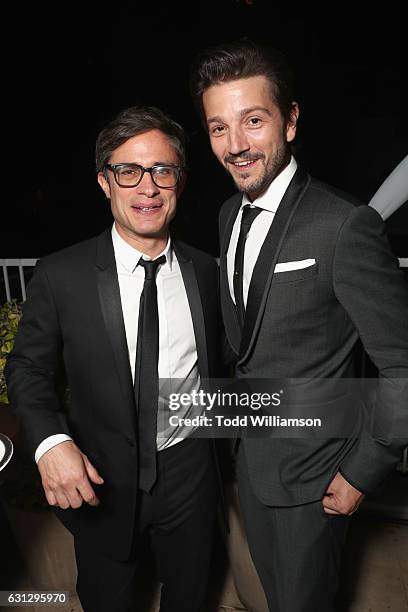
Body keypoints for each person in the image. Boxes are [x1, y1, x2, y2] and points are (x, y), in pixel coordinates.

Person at [189, 39, 408, 611]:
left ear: (289, 120)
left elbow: (403, 366)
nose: (235, 147)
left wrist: (363, 471)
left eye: (253, 121)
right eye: (218, 129)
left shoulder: (344, 225)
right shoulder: (226, 215)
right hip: (249, 464)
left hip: (317, 480)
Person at [5, 106, 221, 612]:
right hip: (101, 480)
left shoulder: (208, 273)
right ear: (105, 182)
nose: (147, 187)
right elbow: (27, 368)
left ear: (179, 182)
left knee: (191, 599)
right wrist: (50, 444)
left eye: (162, 170)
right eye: (129, 171)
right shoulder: (62, 275)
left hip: (191, 475)